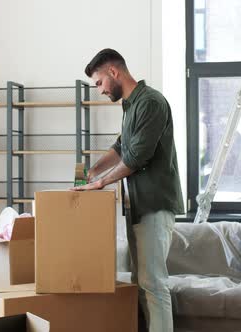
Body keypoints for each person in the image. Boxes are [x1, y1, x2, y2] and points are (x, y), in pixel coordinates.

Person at [71, 48, 184, 332]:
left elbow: (136, 158)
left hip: (154, 205)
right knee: (142, 282)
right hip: (137, 207)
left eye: (99, 83)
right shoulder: (132, 106)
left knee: (154, 284)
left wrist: (101, 182)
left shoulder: (151, 103)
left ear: (113, 72)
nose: (99, 90)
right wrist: (93, 170)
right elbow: (122, 147)